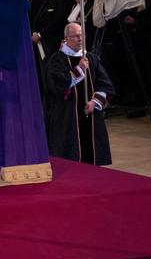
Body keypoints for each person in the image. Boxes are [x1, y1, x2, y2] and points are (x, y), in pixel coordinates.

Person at [44, 23, 113, 165]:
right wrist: (79, 69)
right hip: (67, 116)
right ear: (66, 39)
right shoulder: (56, 59)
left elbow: (105, 84)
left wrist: (95, 102)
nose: (80, 39)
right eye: (76, 36)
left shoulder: (91, 58)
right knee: (68, 158)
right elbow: (56, 85)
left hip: (91, 116)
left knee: (92, 157)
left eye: (82, 35)